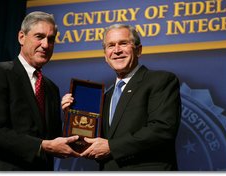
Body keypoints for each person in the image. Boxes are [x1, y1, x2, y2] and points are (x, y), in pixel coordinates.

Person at [61, 23, 181, 171]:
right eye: (111, 46)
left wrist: (112, 147)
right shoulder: (105, 97)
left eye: (123, 43)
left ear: (138, 50)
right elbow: (94, 139)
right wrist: (72, 116)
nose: (117, 50)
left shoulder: (160, 80)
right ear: (105, 56)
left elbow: (162, 130)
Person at [0, 11, 80, 171]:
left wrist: (70, 118)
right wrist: (43, 146)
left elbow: (54, 141)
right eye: (39, 37)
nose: (46, 45)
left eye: (51, 39)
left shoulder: (51, 88)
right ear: (21, 37)